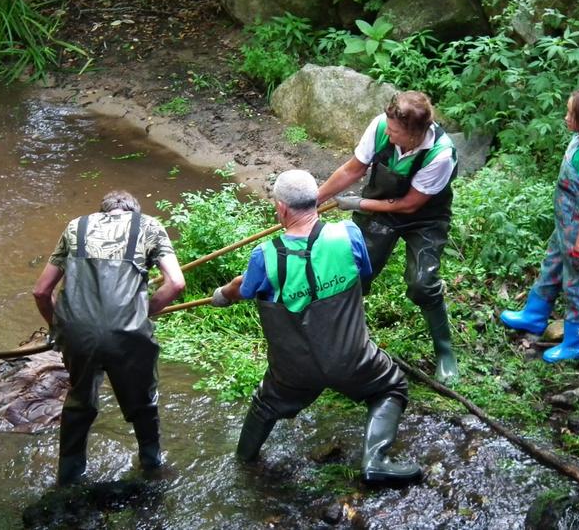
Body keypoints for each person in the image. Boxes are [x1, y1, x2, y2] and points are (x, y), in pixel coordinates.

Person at [212, 170, 421, 483]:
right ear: (314, 201)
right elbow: (362, 272)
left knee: (265, 404)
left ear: (281, 208)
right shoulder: (348, 235)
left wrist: (222, 295)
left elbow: (244, 290)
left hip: (294, 370)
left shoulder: (265, 257)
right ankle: (376, 459)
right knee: (390, 386)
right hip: (352, 358)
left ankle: (243, 464)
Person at [33, 190, 185, 485]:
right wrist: (144, 311)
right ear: (133, 211)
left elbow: (41, 292)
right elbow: (176, 283)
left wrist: (60, 328)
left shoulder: (76, 226)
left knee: (79, 400)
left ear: (102, 211)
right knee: (142, 401)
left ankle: (68, 479)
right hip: (128, 334)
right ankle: (152, 468)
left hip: (78, 332)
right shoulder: (149, 226)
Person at [316, 91, 459, 382]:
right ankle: (343, 341)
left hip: (424, 217)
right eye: (389, 128)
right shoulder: (382, 126)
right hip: (381, 210)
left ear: (416, 133)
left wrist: (359, 204)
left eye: (395, 132)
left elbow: (410, 204)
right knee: (354, 271)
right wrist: (314, 199)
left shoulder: (441, 154)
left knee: (423, 283)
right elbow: (353, 169)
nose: (389, 134)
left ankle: (445, 352)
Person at [500, 85, 579, 362]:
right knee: (553, 264)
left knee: (576, 281)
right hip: (566, 225)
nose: (566, 118)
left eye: (571, 114)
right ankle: (535, 315)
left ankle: (576, 340)